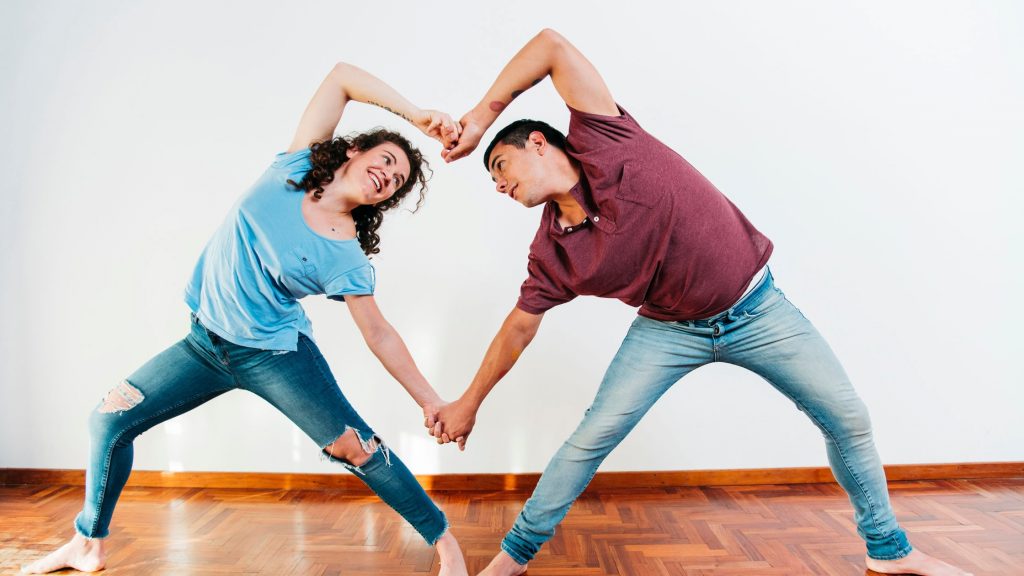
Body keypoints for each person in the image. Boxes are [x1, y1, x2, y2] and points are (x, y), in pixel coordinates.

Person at [430, 29, 971, 576]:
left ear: (540, 144)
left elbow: (550, 46)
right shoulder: (553, 252)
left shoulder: (608, 139)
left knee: (847, 418)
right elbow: (518, 328)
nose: (498, 184)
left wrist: (478, 120)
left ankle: (889, 552)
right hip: (668, 330)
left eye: (500, 167)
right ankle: (513, 560)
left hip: (758, 309)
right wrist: (469, 402)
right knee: (591, 437)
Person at [23, 62, 468, 575]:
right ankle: (88, 543)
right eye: (387, 160)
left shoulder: (346, 255)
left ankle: (444, 540)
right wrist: (415, 116)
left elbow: (380, 334)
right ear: (354, 149)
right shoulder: (293, 168)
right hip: (202, 346)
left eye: (396, 182)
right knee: (109, 420)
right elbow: (342, 77)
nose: (389, 176)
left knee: (357, 448)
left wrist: (431, 401)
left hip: (276, 357)